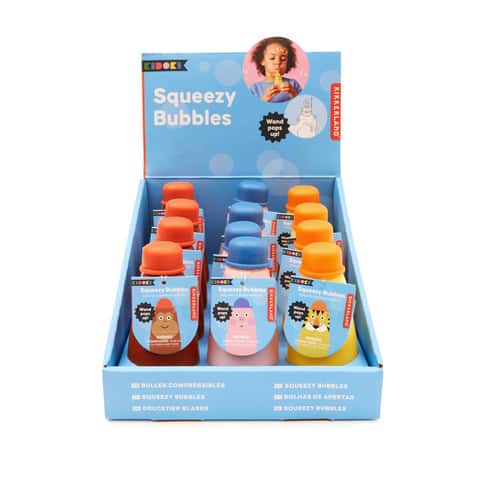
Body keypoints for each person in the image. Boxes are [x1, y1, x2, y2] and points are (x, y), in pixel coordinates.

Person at [249, 37, 302, 103]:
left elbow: (301, 104)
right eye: (272, 58)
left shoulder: (293, 84)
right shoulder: (255, 89)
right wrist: (264, 99)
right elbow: (252, 107)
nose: (278, 62)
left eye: (283, 59)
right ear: (262, 61)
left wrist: (293, 93)